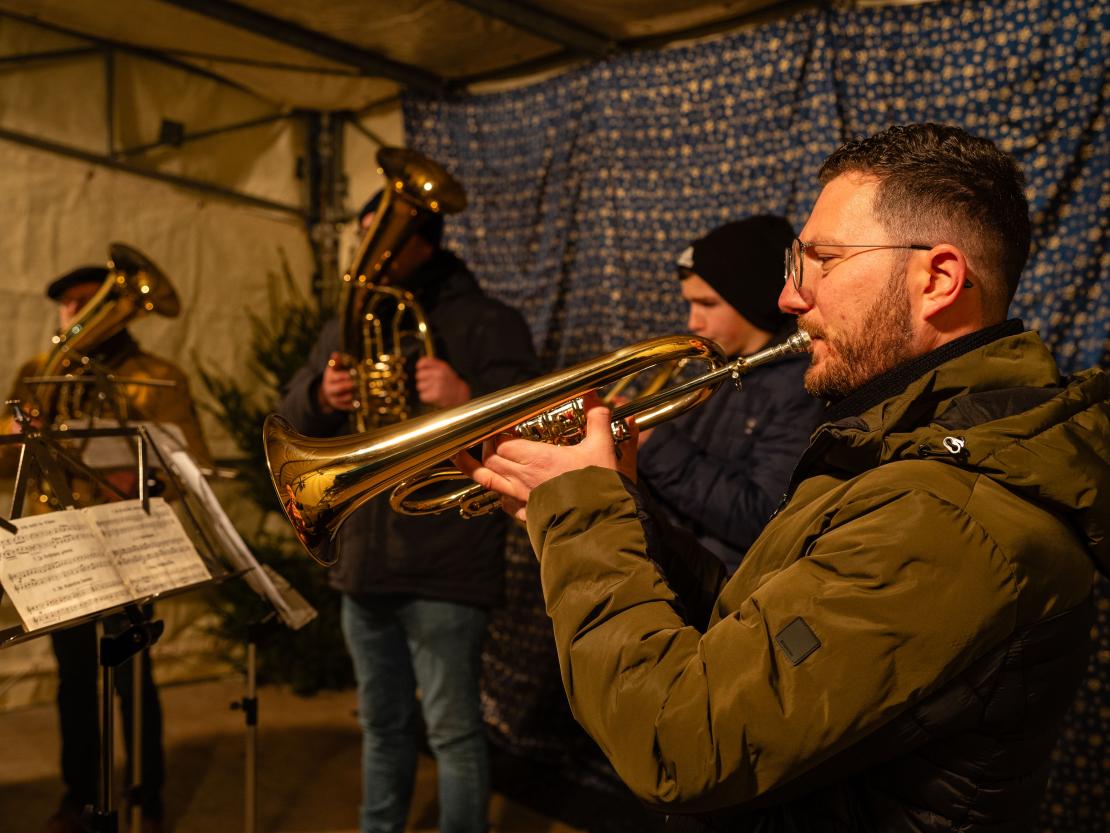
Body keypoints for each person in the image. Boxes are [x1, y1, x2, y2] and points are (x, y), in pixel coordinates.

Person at [456, 123, 1109, 830]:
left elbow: (680, 741)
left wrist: (584, 516)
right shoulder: (908, 450)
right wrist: (613, 510)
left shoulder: (951, 515)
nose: (792, 298)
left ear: (939, 279)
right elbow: (752, 630)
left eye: (823, 259)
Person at [278, 191, 541, 833]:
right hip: (365, 564)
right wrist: (322, 394)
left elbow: (536, 428)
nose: (369, 255)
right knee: (381, 726)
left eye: (384, 238)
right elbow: (292, 420)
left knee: (452, 732)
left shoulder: (489, 320)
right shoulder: (349, 324)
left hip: (446, 564)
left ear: (426, 242)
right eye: (364, 238)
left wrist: (465, 397)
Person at [2, 264, 213, 833]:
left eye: (84, 303)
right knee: (73, 678)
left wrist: (139, 468)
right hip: (59, 543)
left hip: (126, 541)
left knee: (133, 672)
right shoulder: (36, 372)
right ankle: (80, 794)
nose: (72, 315)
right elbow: (3, 463)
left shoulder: (155, 376)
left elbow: (186, 462)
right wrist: (19, 433)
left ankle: (148, 788)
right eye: (67, 305)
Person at [637, 216, 824, 573]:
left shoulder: (803, 387)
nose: (693, 323)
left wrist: (653, 444)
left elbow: (763, 517)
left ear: (748, 299)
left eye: (707, 304)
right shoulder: (720, 370)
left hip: (728, 594)